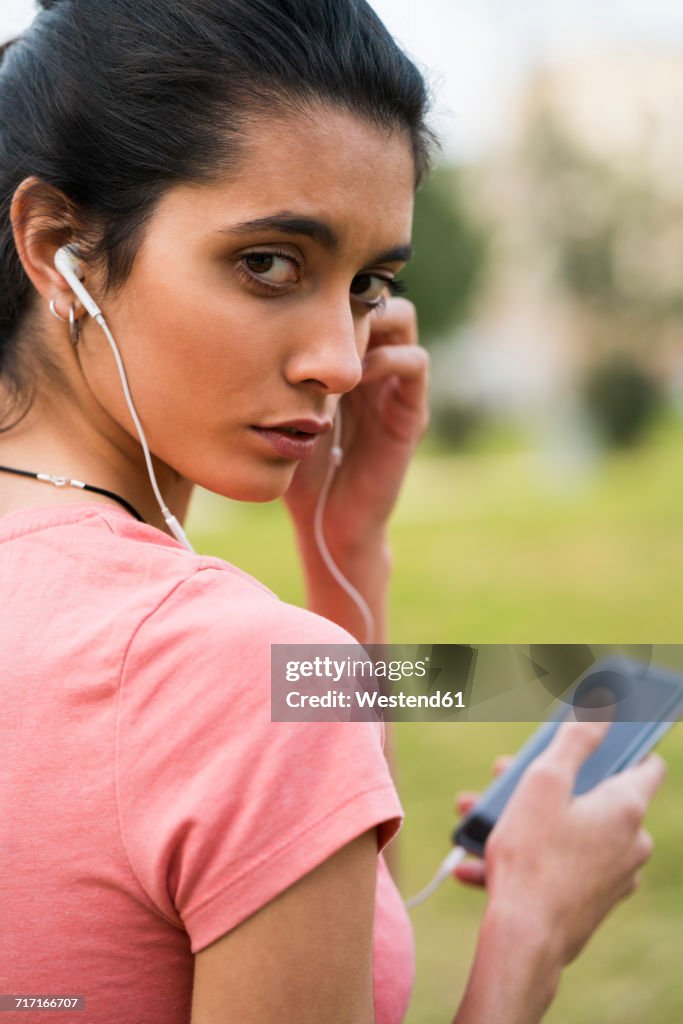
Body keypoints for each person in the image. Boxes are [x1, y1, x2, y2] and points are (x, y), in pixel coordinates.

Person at [0, 2, 666, 1023]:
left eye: (367, 284)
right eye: (268, 263)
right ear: (58, 246)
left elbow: (311, 909)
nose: (340, 362)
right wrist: (527, 934)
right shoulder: (215, 663)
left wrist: (344, 546)